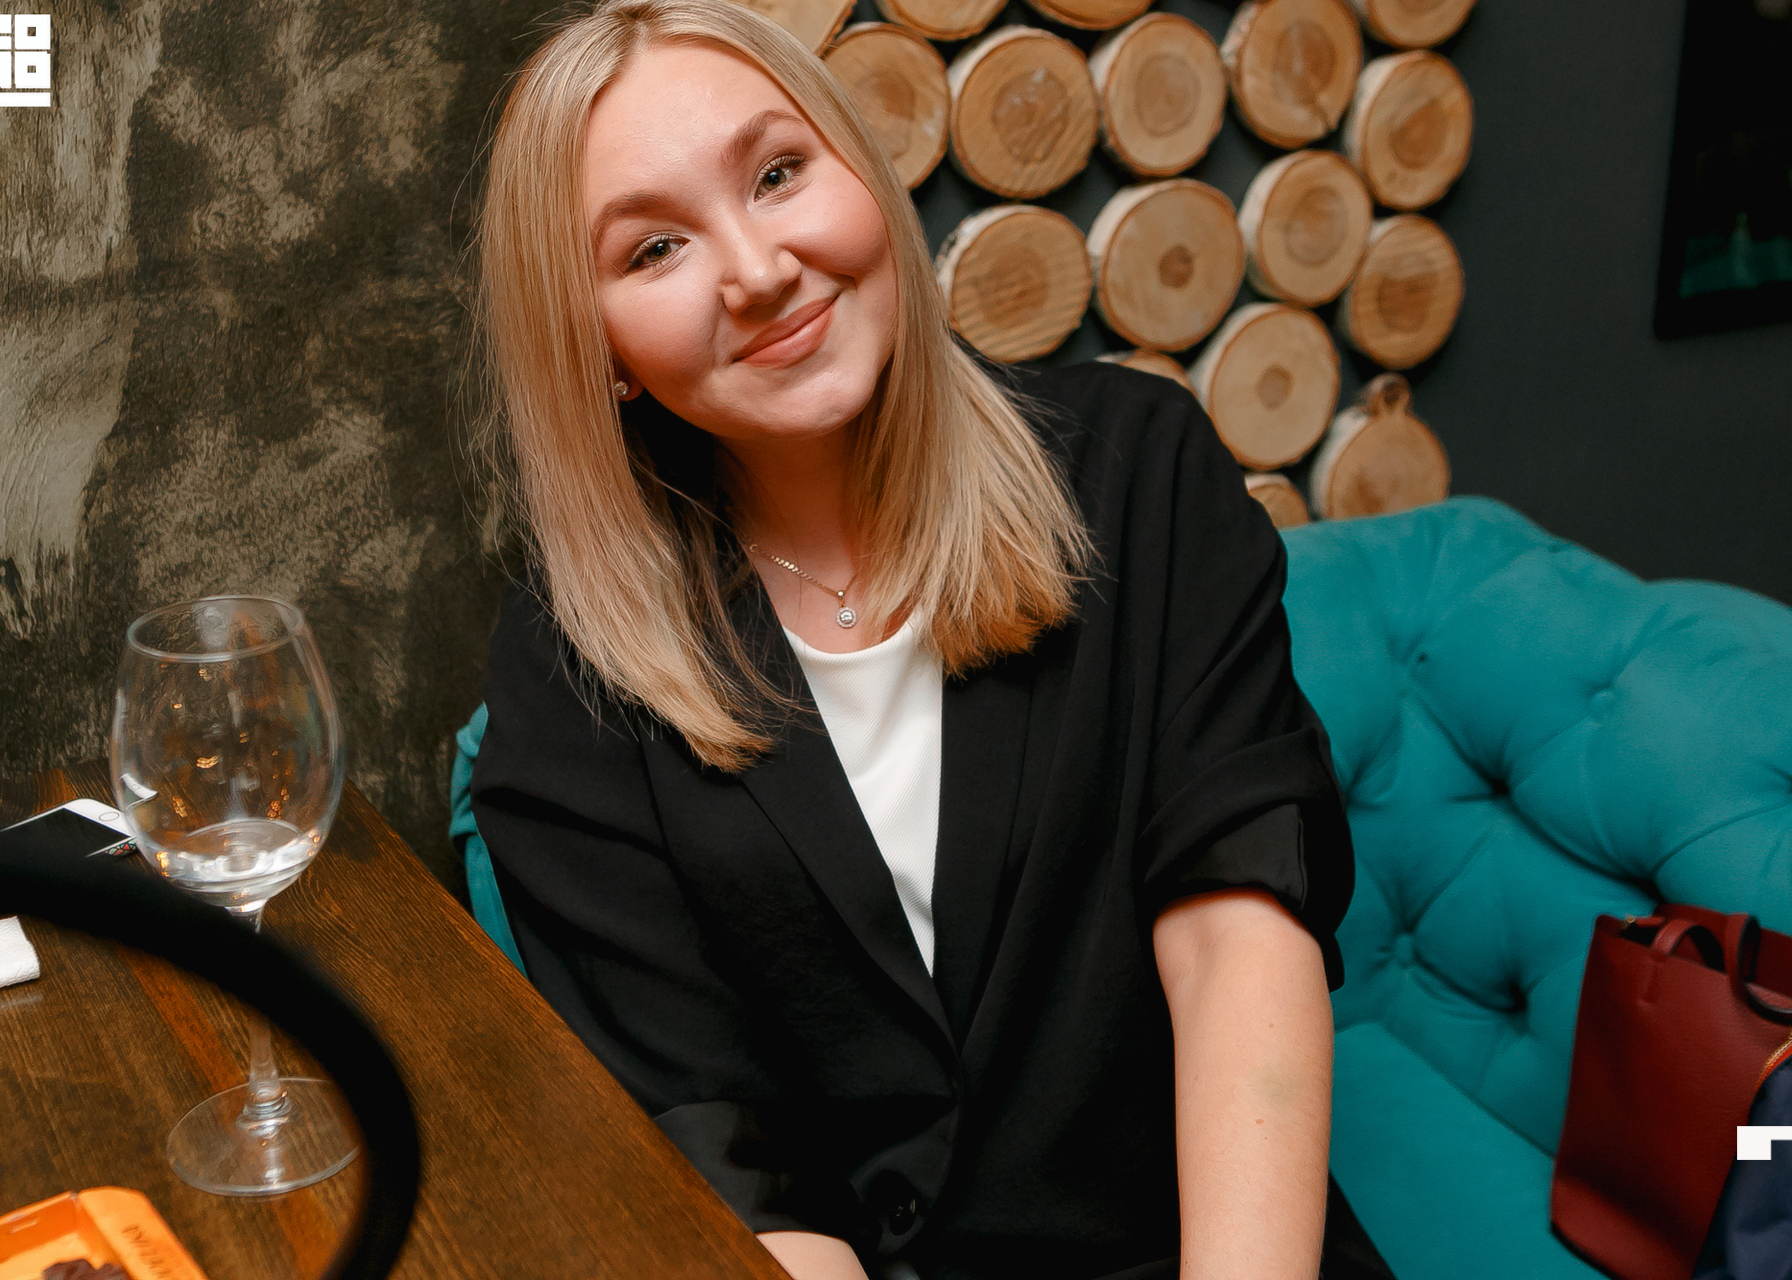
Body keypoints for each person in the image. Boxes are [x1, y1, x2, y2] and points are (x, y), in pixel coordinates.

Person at [463, 2, 1380, 1277]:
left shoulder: (1140, 469)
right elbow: (726, 1160)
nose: (758, 269)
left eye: (778, 173)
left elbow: (1240, 936)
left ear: (861, 171)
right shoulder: (568, 672)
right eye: (655, 247)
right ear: (600, 346)